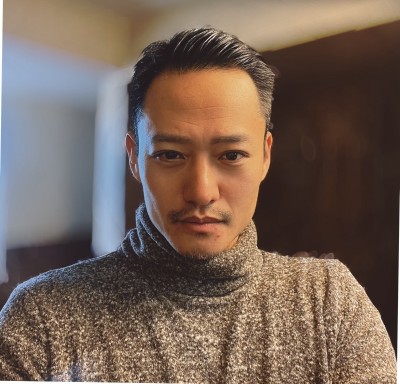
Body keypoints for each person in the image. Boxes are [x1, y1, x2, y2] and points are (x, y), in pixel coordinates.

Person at [0, 27, 396, 383]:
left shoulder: (328, 303)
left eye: (231, 155)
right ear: (134, 158)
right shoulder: (42, 318)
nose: (202, 192)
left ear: (265, 156)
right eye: (171, 155)